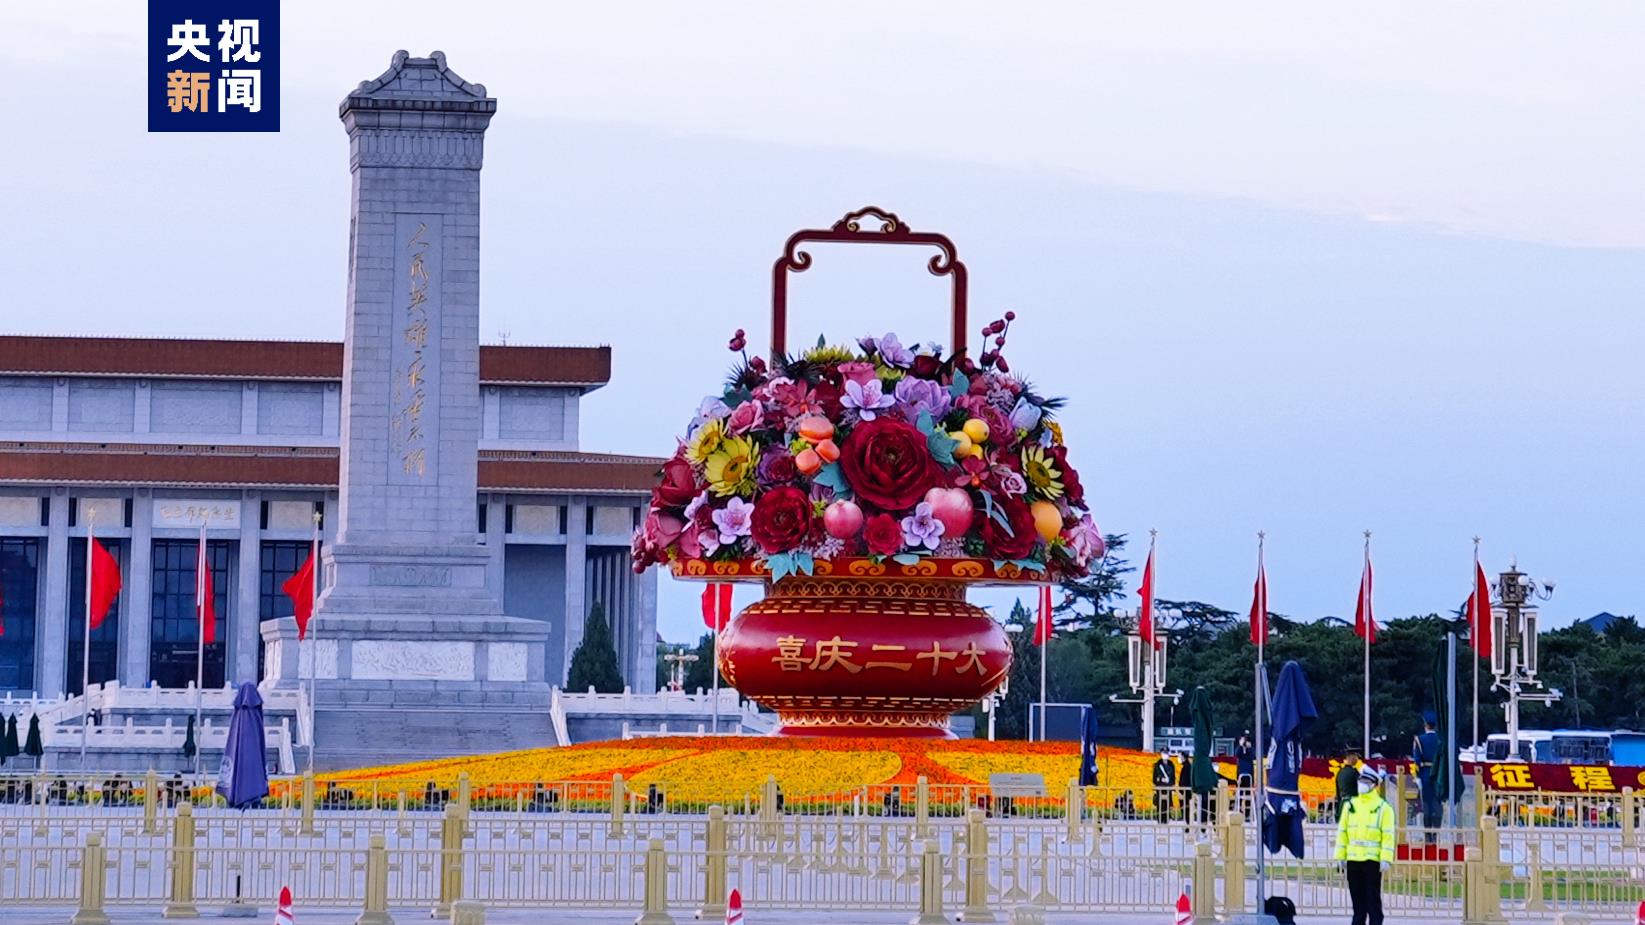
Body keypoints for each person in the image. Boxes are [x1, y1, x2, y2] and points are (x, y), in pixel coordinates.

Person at [1336, 766, 1396, 925]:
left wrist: (1386, 859)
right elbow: (1342, 832)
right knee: (1358, 907)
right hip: (1353, 860)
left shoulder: (1383, 808)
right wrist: (1340, 857)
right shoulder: (1350, 805)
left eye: (1366, 781)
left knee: (1373, 904)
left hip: (1372, 861)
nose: (1361, 784)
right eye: (1361, 780)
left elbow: (1388, 836)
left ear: (1375, 785)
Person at [1413, 713, 1442, 843]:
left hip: (1425, 774)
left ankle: (1427, 835)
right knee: (1437, 804)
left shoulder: (1419, 740)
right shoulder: (1441, 740)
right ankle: (1436, 833)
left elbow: (1417, 761)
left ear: (1425, 726)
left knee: (1426, 805)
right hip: (1439, 775)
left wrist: (1418, 777)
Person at [1335, 748, 1362, 821]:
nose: (1357, 759)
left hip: (1342, 805)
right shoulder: (1354, 773)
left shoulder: (1340, 772)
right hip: (1353, 805)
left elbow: (1337, 793)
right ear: (1352, 758)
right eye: (1356, 757)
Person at [1152, 752, 1176, 823]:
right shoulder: (1157, 765)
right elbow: (1154, 778)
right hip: (1160, 787)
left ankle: (1166, 819)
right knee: (1160, 804)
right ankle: (1160, 819)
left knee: (1167, 804)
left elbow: (1173, 777)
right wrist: (1160, 780)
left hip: (1168, 787)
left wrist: (1172, 787)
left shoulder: (1171, 765)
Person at [1235, 733, 1256, 815]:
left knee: (1248, 793)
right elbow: (1237, 754)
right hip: (1240, 773)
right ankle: (1239, 809)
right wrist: (1241, 746)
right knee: (1240, 792)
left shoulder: (1250, 749)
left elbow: (1253, 756)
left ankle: (1247, 812)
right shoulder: (1239, 749)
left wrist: (1249, 747)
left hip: (1249, 773)